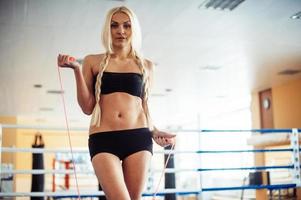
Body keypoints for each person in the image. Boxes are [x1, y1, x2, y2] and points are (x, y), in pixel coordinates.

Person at [57, 6, 176, 200]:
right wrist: (77, 70)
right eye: (114, 26)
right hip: (103, 139)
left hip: (138, 138)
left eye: (126, 26)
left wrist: (154, 131)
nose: (121, 31)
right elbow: (87, 107)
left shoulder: (146, 65)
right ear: (108, 29)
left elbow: (144, 107)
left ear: (133, 30)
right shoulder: (92, 61)